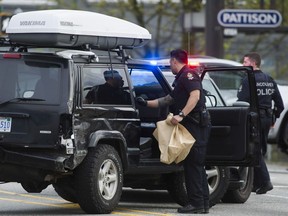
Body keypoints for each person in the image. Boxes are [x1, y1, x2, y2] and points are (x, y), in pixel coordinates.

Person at [136, 49, 211, 214]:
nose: (170, 65)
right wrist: (145, 103)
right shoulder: (181, 78)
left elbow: (195, 96)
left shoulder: (188, 75)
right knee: (196, 165)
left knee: (193, 165)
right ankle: (203, 204)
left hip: (196, 124)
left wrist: (182, 114)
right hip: (193, 124)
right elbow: (168, 99)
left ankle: (196, 203)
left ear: (175, 61)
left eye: (170, 62)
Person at [237, 52, 284, 194]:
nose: (243, 65)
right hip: (266, 119)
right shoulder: (269, 79)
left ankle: (265, 182)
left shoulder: (247, 80)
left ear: (252, 63)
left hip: (254, 119)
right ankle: (255, 183)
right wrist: (273, 118)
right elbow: (280, 105)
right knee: (260, 149)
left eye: (245, 62)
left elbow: (241, 101)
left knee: (254, 150)